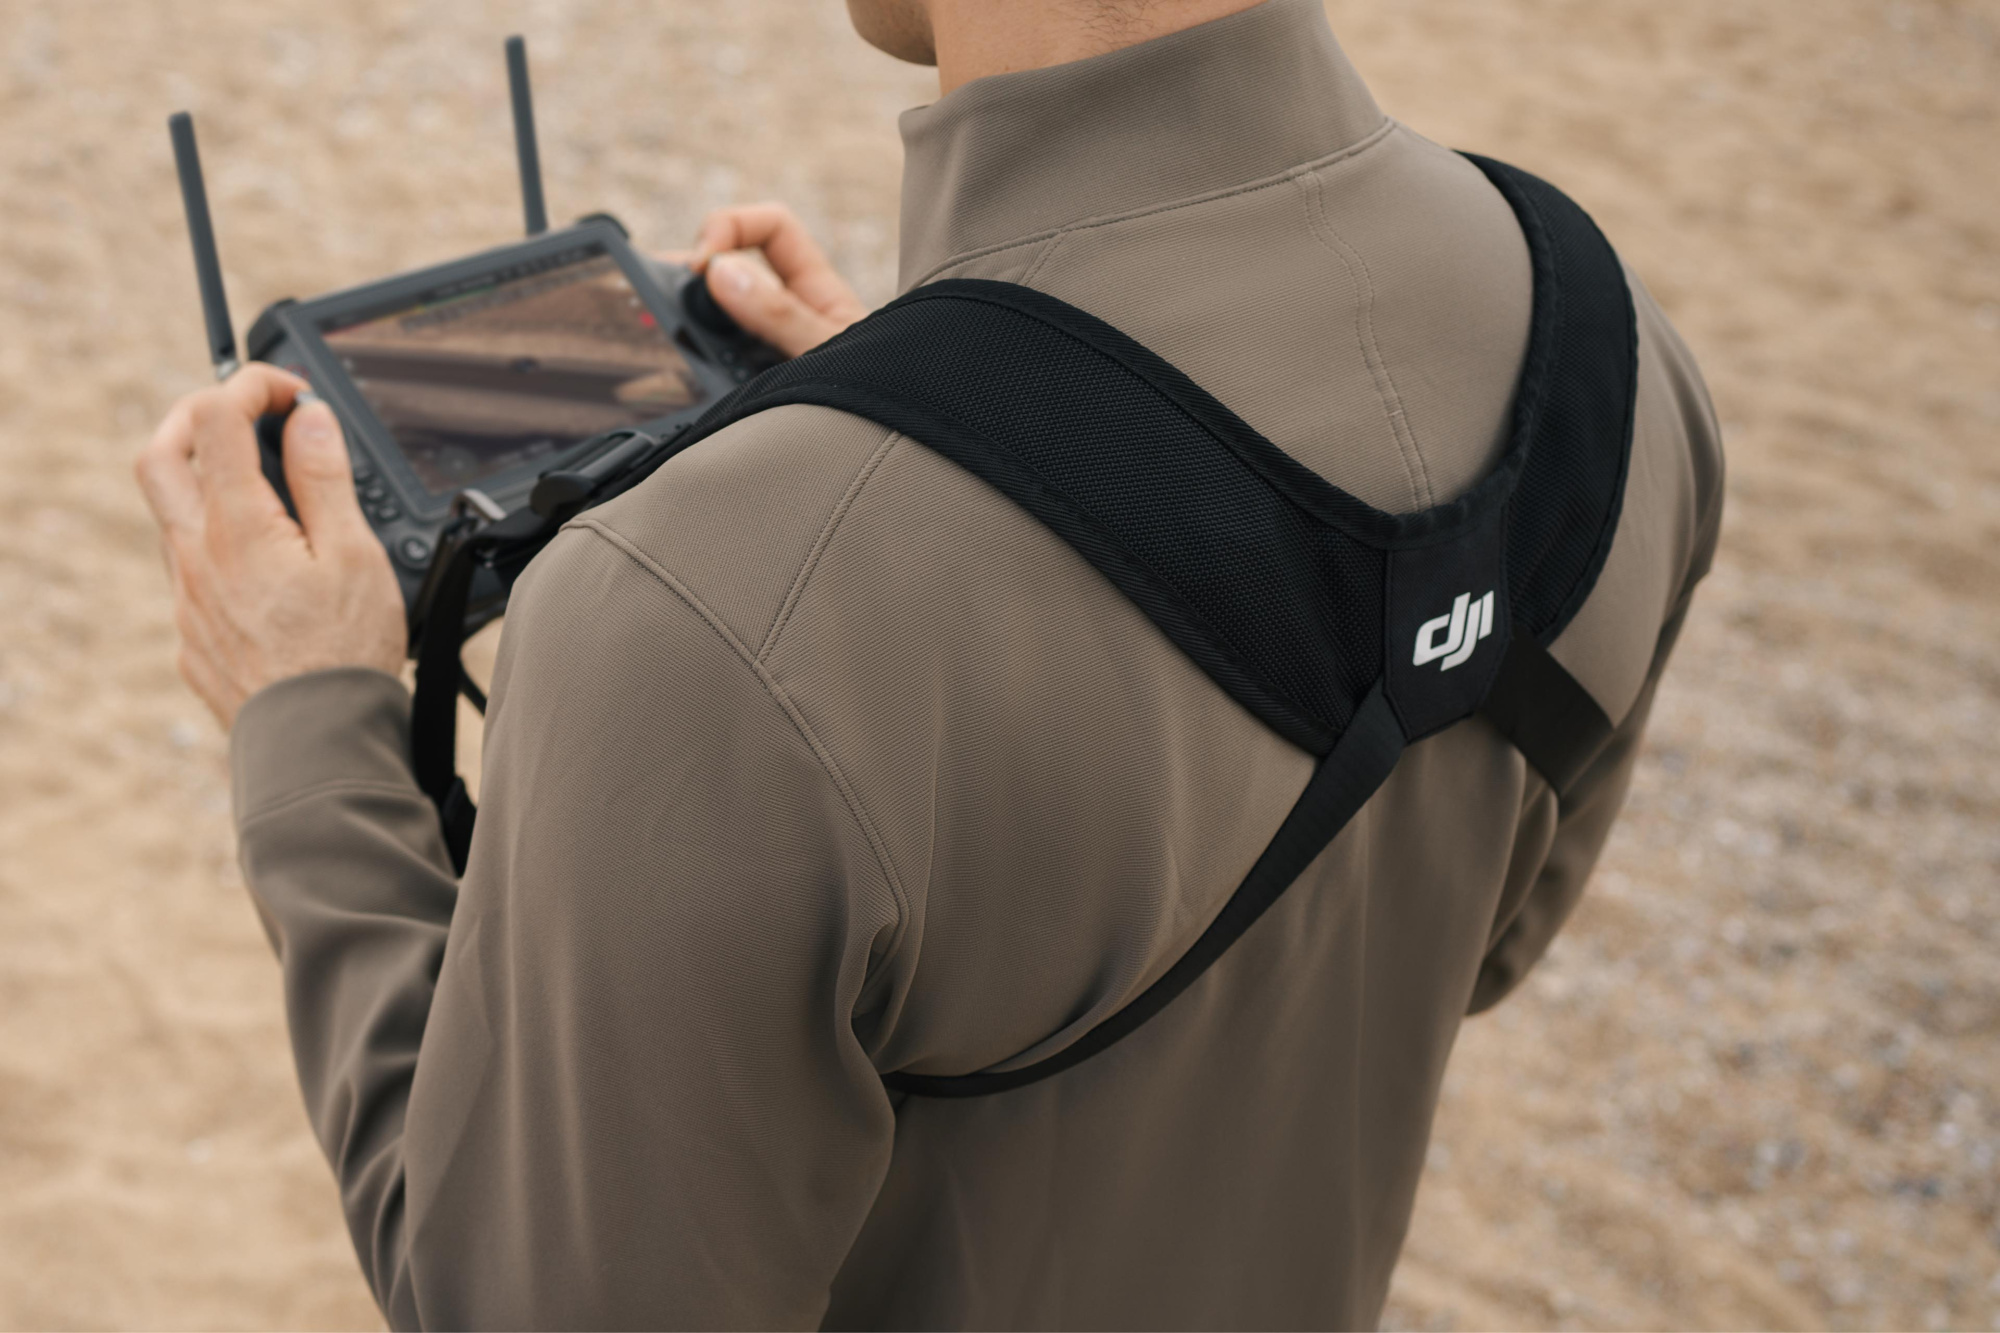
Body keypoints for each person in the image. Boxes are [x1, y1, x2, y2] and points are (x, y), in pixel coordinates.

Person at [135, 0, 1722, 1326]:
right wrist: (948, 417)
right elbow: (1459, 944)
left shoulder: (690, 623)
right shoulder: (1615, 357)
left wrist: (312, 729)